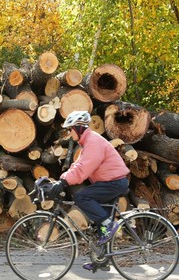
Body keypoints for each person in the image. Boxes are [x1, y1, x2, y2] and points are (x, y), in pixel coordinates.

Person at [51, 110, 130, 272]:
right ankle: (102, 260)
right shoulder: (88, 142)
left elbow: (83, 169)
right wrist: (61, 180)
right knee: (101, 226)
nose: (69, 133)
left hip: (114, 183)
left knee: (82, 196)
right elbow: (77, 165)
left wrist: (64, 182)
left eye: (70, 129)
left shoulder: (93, 141)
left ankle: (110, 226)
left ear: (79, 128)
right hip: (111, 182)